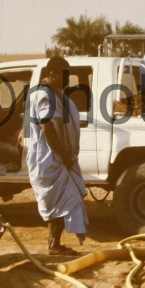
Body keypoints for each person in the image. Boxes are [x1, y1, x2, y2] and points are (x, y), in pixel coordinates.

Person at [27, 56, 88, 255]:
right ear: (51, 74)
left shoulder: (56, 95)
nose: (67, 79)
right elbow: (47, 129)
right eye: (64, 75)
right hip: (49, 159)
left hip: (57, 158)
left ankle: (54, 243)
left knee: (64, 199)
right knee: (60, 200)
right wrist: (63, 155)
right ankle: (53, 245)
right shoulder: (45, 96)